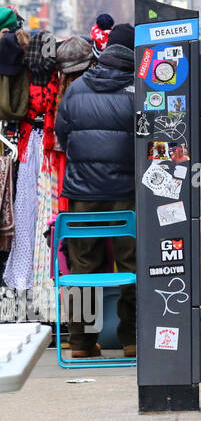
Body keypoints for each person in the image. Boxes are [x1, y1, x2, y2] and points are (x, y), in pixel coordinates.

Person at [53, 23, 137, 359]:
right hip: (127, 192)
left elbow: (63, 133)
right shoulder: (140, 90)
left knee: (83, 264)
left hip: (82, 193)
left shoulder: (76, 89)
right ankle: (131, 337)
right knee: (131, 262)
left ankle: (82, 343)